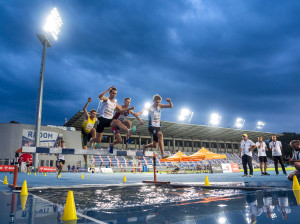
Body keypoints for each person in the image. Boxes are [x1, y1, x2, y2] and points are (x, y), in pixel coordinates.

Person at [94, 86, 137, 153]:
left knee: (117, 121)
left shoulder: (115, 103)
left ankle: (128, 131)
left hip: (109, 120)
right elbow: (100, 96)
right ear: (110, 93)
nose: (114, 95)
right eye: (113, 93)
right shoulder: (106, 99)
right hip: (102, 119)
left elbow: (120, 110)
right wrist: (107, 89)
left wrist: (129, 109)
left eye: (115, 93)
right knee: (98, 140)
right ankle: (91, 140)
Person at [141, 94, 173, 159]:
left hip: (157, 127)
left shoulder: (160, 106)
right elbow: (142, 111)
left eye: (159, 102)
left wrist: (169, 101)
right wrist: (137, 115)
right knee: (160, 135)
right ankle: (163, 154)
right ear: (153, 101)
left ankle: (145, 146)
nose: (158, 103)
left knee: (155, 145)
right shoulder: (150, 107)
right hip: (151, 126)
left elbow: (170, 106)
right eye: (157, 102)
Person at [82, 97, 98, 168]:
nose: (94, 115)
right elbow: (84, 109)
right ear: (90, 113)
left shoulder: (95, 119)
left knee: (94, 129)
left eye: (95, 114)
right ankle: (86, 161)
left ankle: (93, 143)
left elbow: (101, 118)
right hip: (84, 135)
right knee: (84, 151)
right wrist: (88, 102)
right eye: (93, 114)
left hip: (89, 134)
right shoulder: (87, 117)